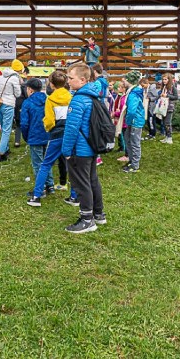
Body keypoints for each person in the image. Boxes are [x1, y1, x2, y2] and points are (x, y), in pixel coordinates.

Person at [61, 64, 106, 233]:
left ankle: (87, 219)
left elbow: (71, 129)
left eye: (71, 78)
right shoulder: (93, 95)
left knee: (81, 183)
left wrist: (66, 151)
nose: (68, 81)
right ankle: (99, 213)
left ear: (82, 79)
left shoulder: (79, 99)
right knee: (92, 180)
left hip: (80, 149)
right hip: (91, 146)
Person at [35, 70, 72, 204]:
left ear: (51, 84)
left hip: (56, 134)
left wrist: (47, 126)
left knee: (45, 165)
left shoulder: (50, 99)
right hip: (69, 134)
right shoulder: (71, 97)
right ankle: (74, 196)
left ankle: (37, 195)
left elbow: (50, 120)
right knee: (72, 164)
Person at [22, 78, 52, 205]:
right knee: (46, 161)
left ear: (30, 89)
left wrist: (26, 136)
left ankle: (42, 188)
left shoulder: (27, 103)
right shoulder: (47, 100)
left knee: (38, 164)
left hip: (34, 136)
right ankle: (50, 185)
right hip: (47, 134)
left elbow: (24, 123)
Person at [0, 59, 23, 162]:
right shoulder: (15, 78)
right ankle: (1, 153)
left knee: (3, 128)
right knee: (7, 129)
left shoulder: (2, 76)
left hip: (0, 103)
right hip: (9, 104)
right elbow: (18, 94)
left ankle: (6, 148)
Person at [122, 71, 145, 173]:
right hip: (133, 120)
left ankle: (135, 165)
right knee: (128, 140)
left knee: (135, 142)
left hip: (135, 121)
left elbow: (131, 110)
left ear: (130, 81)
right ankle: (131, 161)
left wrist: (128, 120)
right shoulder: (133, 91)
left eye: (125, 80)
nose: (124, 82)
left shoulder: (133, 94)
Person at [159, 73, 179, 145]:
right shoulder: (164, 87)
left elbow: (176, 97)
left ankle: (170, 137)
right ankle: (166, 136)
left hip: (169, 107)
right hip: (163, 107)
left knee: (167, 123)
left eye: (165, 79)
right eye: (163, 79)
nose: (164, 81)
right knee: (164, 123)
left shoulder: (173, 87)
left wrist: (167, 95)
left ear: (169, 79)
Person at [113, 82, 129, 161]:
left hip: (124, 121)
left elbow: (123, 110)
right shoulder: (122, 96)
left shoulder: (124, 98)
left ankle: (127, 155)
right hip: (124, 120)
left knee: (126, 138)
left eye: (120, 87)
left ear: (124, 89)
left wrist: (115, 113)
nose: (118, 89)